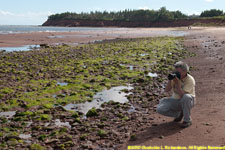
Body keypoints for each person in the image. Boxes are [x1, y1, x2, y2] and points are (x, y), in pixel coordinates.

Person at [156, 61, 196, 128]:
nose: (177, 74)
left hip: (188, 101)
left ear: (185, 71)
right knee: (160, 109)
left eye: (178, 72)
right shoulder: (175, 78)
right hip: (175, 100)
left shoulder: (190, 79)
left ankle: (187, 120)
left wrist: (177, 84)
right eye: (176, 72)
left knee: (186, 97)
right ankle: (179, 114)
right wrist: (170, 80)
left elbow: (182, 95)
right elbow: (166, 90)